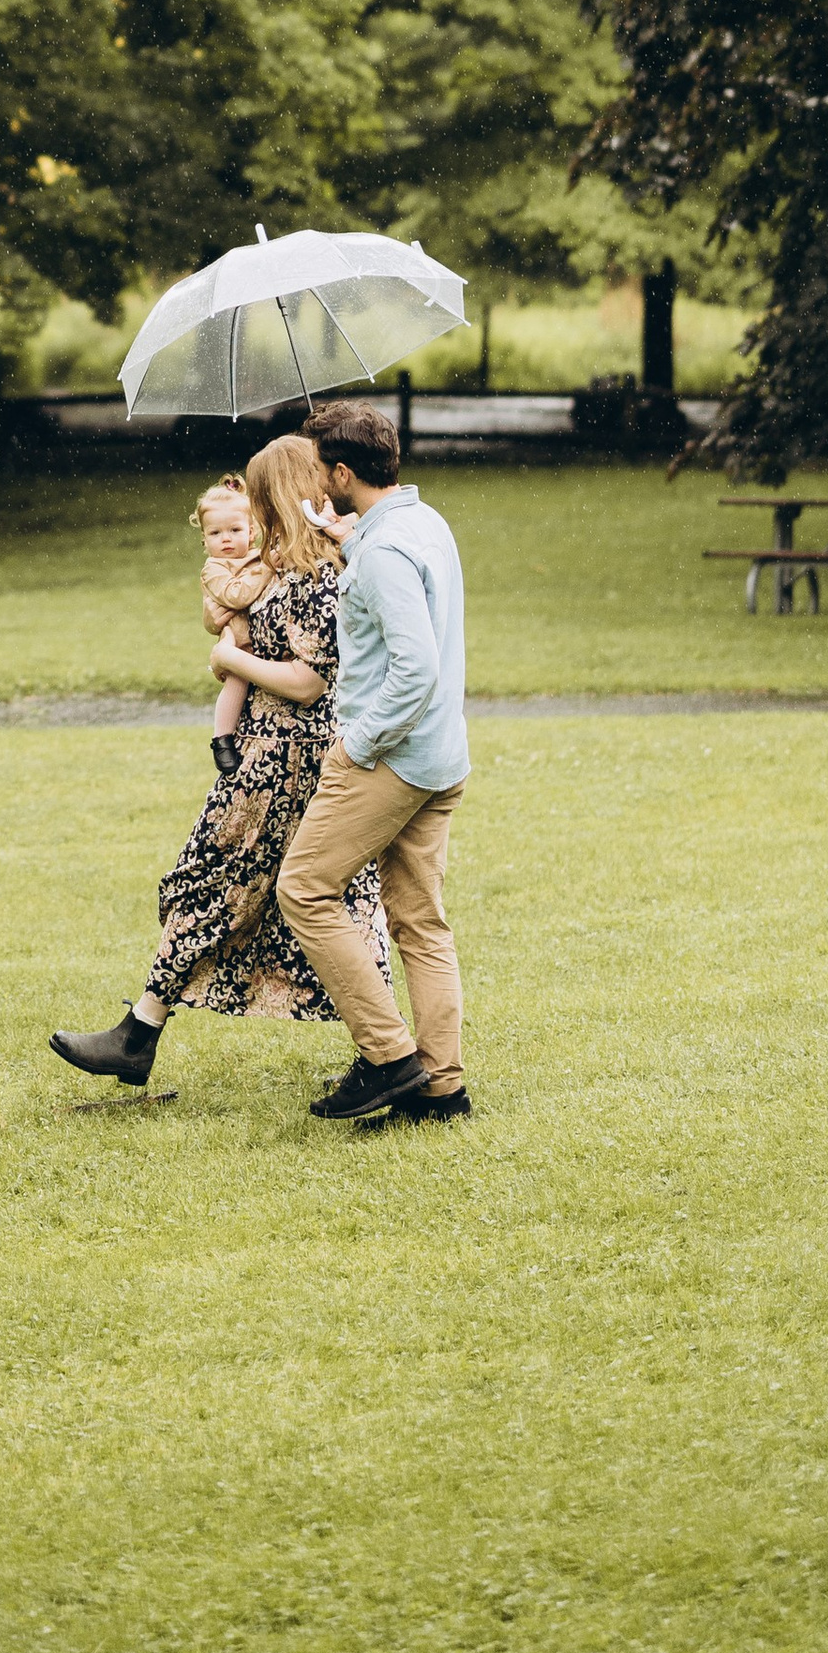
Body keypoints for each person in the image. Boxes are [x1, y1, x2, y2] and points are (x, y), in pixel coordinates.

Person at [49, 435, 393, 1089]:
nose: (253, 507)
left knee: (240, 889)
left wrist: (230, 661)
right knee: (284, 897)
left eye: (260, 495)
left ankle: (385, 1053)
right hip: (270, 755)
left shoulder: (317, 577)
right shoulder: (286, 568)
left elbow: (309, 681)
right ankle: (141, 1032)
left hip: (288, 764)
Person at [274, 397, 474, 1128]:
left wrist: (357, 743)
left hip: (391, 757)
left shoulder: (385, 549)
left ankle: (389, 1057)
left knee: (303, 889)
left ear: (344, 470)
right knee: (420, 921)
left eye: (321, 468)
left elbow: (413, 668)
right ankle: (442, 1090)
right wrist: (346, 540)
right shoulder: (418, 523)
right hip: (442, 755)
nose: (315, 479)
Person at [193, 473, 266, 770]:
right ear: (205, 539)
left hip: (266, 645)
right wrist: (267, 570)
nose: (225, 539)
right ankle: (221, 738)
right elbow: (236, 596)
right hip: (239, 645)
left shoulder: (261, 557)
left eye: (234, 530)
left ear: (252, 531)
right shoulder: (214, 569)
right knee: (236, 683)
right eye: (215, 533)